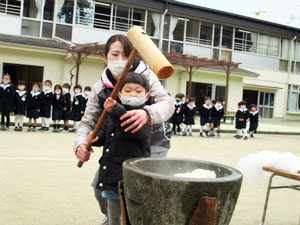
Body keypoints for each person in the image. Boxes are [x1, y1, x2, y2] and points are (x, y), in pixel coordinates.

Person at [74, 34, 174, 225]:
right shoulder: (99, 88)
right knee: (100, 186)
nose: (121, 60)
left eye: (126, 54)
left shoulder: (146, 76)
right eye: (115, 54)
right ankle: (113, 218)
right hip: (118, 145)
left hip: (152, 142)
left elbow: (167, 103)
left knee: (142, 190)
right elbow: (87, 123)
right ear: (105, 58)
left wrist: (148, 114)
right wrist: (80, 144)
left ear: (134, 56)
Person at [88, 72, 151, 225]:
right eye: (128, 91)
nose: (133, 94)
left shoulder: (144, 116)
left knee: (130, 216)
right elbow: (106, 132)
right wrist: (96, 138)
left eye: (138, 91)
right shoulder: (112, 113)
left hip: (131, 177)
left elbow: (127, 126)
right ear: (120, 95)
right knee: (114, 215)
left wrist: (115, 109)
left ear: (147, 96)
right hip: (111, 172)